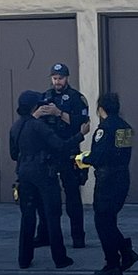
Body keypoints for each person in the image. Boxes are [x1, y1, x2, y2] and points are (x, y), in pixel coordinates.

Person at [9, 91, 78, 270]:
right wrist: (80, 135)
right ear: (34, 107)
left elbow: (13, 154)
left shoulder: (16, 127)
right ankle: (60, 258)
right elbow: (61, 146)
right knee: (52, 215)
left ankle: (23, 259)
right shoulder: (39, 126)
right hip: (44, 173)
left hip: (23, 173)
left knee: (27, 216)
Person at [78, 92, 138, 275]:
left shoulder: (104, 129)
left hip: (107, 180)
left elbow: (99, 156)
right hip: (122, 177)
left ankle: (113, 261)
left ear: (101, 109)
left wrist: (83, 158)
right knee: (109, 220)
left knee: (102, 221)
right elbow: (120, 153)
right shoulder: (125, 127)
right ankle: (125, 253)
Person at [35, 62, 90, 249]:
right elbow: (33, 122)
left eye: (60, 78)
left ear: (67, 78)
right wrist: (39, 112)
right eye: (54, 78)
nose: (57, 81)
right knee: (46, 198)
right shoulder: (45, 96)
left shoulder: (76, 98)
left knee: (73, 196)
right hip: (49, 152)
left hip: (69, 151)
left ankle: (78, 237)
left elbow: (82, 125)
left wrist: (59, 113)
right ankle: (44, 235)